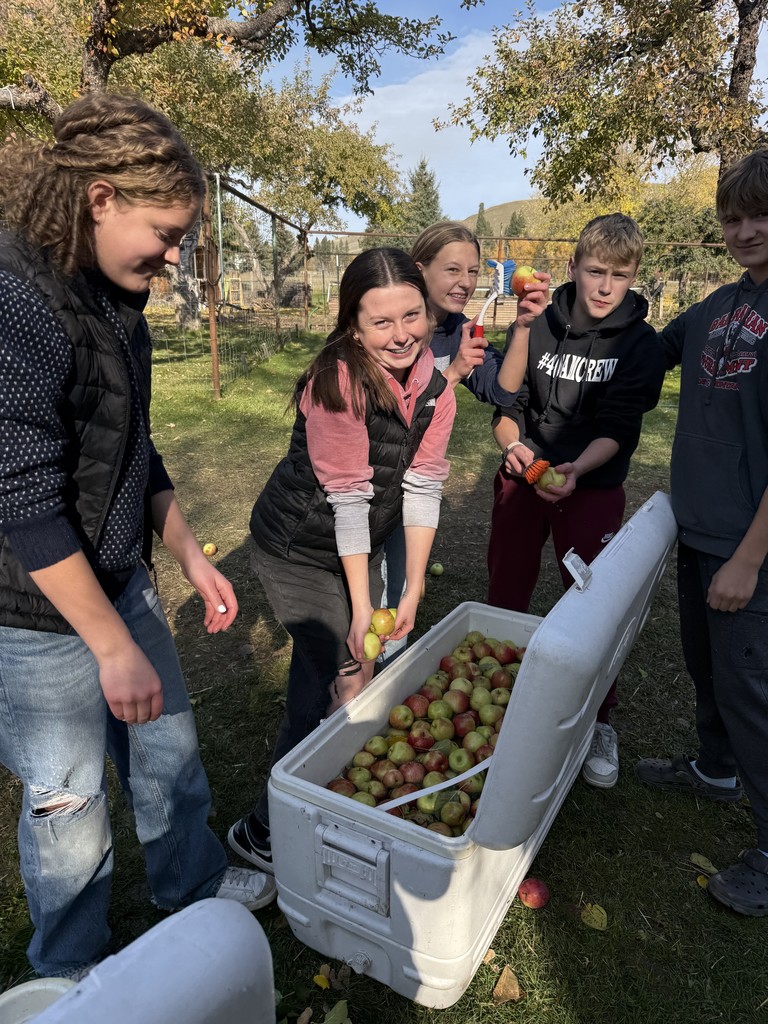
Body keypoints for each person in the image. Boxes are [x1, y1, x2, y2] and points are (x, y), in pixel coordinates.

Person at [0, 92, 275, 981]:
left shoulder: (118, 297)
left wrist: (189, 553)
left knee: (169, 750)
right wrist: (111, 646)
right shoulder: (18, 300)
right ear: (100, 198)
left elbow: (132, 443)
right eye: (165, 231)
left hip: (122, 579)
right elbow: (22, 497)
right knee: (67, 801)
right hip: (36, 612)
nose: (174, 253)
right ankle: (69, 968)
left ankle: (191, 892)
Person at [227, 247, 459, 872]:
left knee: (362, 668)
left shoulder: (438, 390)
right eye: (380, 322)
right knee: (332, 667)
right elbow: (349, 500)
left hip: (358, 542)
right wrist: (364, 608)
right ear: (353, 325)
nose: (401, 334)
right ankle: (265, 830)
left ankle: (328, 793)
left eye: (411, 315)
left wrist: (408, 595)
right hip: (297, 547)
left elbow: (422, 488)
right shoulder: (337, 383)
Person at [487, 214, 665, 788]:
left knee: (590, 606)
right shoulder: (539, 322)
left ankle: (598, 720)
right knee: (506, 589)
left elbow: (621, 425)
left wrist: (577, 469)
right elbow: (506, 405)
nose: (606, 286)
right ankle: (495, 694)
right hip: (523, 478)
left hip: (591, 488)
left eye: (620, 274)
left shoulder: (640, 344)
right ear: (573, 267)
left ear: (634, 275)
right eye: (595, 271)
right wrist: (515, 450)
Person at [635, 151, 768, 917]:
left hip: (750, 548)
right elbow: (644, 350)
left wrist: (750, 560)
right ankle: (715, 770)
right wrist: (564, 325)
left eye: (759, 215)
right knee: (706, 668)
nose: (744, 230)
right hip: (700, 529)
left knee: (754, 694)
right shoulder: (719, 305)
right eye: (732, 217)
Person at [379, 221, 551, 658]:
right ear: (420, 269)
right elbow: (388, 412)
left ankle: (388, 673)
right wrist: (451, 372)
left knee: (398, 594)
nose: (465, 282)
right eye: (452, 269)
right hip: (370, 477)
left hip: (412, 482)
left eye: (473, 272)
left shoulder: (460, 328)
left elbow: (502, 391)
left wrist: (525, 326)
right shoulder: (394, 327)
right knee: (366, 592)